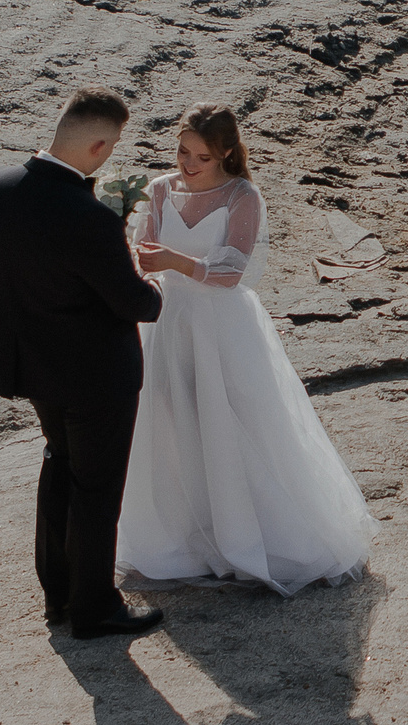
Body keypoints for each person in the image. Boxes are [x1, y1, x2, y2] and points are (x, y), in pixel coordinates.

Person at [117, 104, 375, 593]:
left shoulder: (242, 195)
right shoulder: (158, 189)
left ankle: (249, 532)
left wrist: (173, 259)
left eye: (201, 157)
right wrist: (140, 254)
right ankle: (187, 535)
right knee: (170, 423)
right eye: (183, 151)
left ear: (227, 154)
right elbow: (144, 255)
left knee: (233, 420)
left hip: (221, 324)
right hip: (166, 320)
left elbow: (232, 272)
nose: (188, 164)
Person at [0, 86, 166, 640]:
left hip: (33, 366)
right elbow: (136, 304)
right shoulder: (89, 218)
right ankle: (95, 608)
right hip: (96, 375)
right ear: (101, 144)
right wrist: (149, 278)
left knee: (58, 465)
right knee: (96, 486)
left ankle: (58, 596)